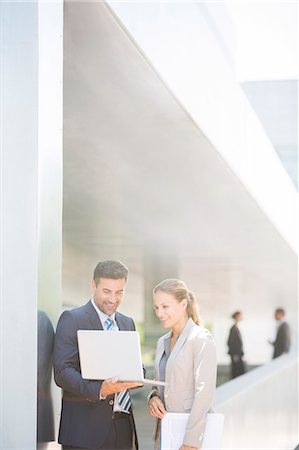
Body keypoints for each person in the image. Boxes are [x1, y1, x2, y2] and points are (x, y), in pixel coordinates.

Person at [53, 260, 142, 450]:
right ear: (93, 285)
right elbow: (62, 372)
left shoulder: (127, 323)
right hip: (84, 431)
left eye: (119, 292)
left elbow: (135, 365)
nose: (113, 299)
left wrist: (136, 375)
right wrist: (100, 389)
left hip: (122, 425)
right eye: (107, 291)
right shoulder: (72, 319)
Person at [147, 278, 217, 450]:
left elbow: (204, 393)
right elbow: (159, 383)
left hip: (190, 438)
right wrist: (153, 397)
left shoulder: (200, 338)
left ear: (183, 304)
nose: (159, 313)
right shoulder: (162, 342)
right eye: (156, 307)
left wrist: (191, 442)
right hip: (164, 432)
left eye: (165, 306)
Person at [227, 311, 245, 379]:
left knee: (239, 373)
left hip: (238, 355)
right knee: (237, 373)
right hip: (236, 356)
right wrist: (235, 354)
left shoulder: (236, 328)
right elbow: (230, 342)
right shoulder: (233, 328)